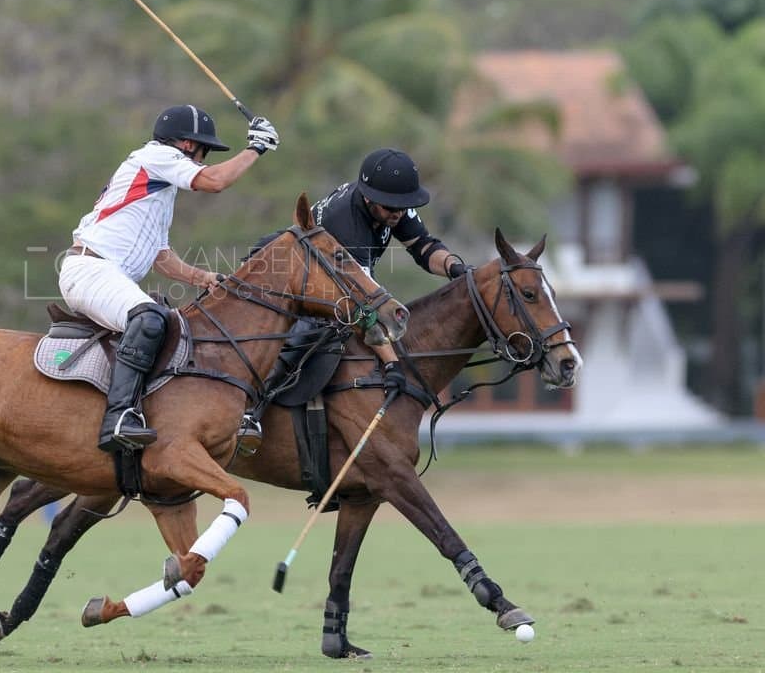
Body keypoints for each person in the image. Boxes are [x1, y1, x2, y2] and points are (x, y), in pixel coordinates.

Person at [60, 105, 280, 453]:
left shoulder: (159, 188)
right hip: (90, 269)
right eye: (204, 150)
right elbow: (215, 181)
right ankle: (119, 417)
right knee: (149, 319)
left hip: (106, 274)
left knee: (172, 325)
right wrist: (255, 148)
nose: (203, 157)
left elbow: (160, 256)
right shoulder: (157, 157)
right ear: (187, 144)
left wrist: (203, 277)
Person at [242, 147, 466, 446]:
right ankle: (250, 410)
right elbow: (364, 307)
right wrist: (391, 363)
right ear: (369, 198)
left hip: (324, 283)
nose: (397, 213)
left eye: (403, 206)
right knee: (306, 335)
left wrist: (456, 268)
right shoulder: (348, 226)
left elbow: (423, 247)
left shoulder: (392, 204)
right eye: (391, 208)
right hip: (277, 273)